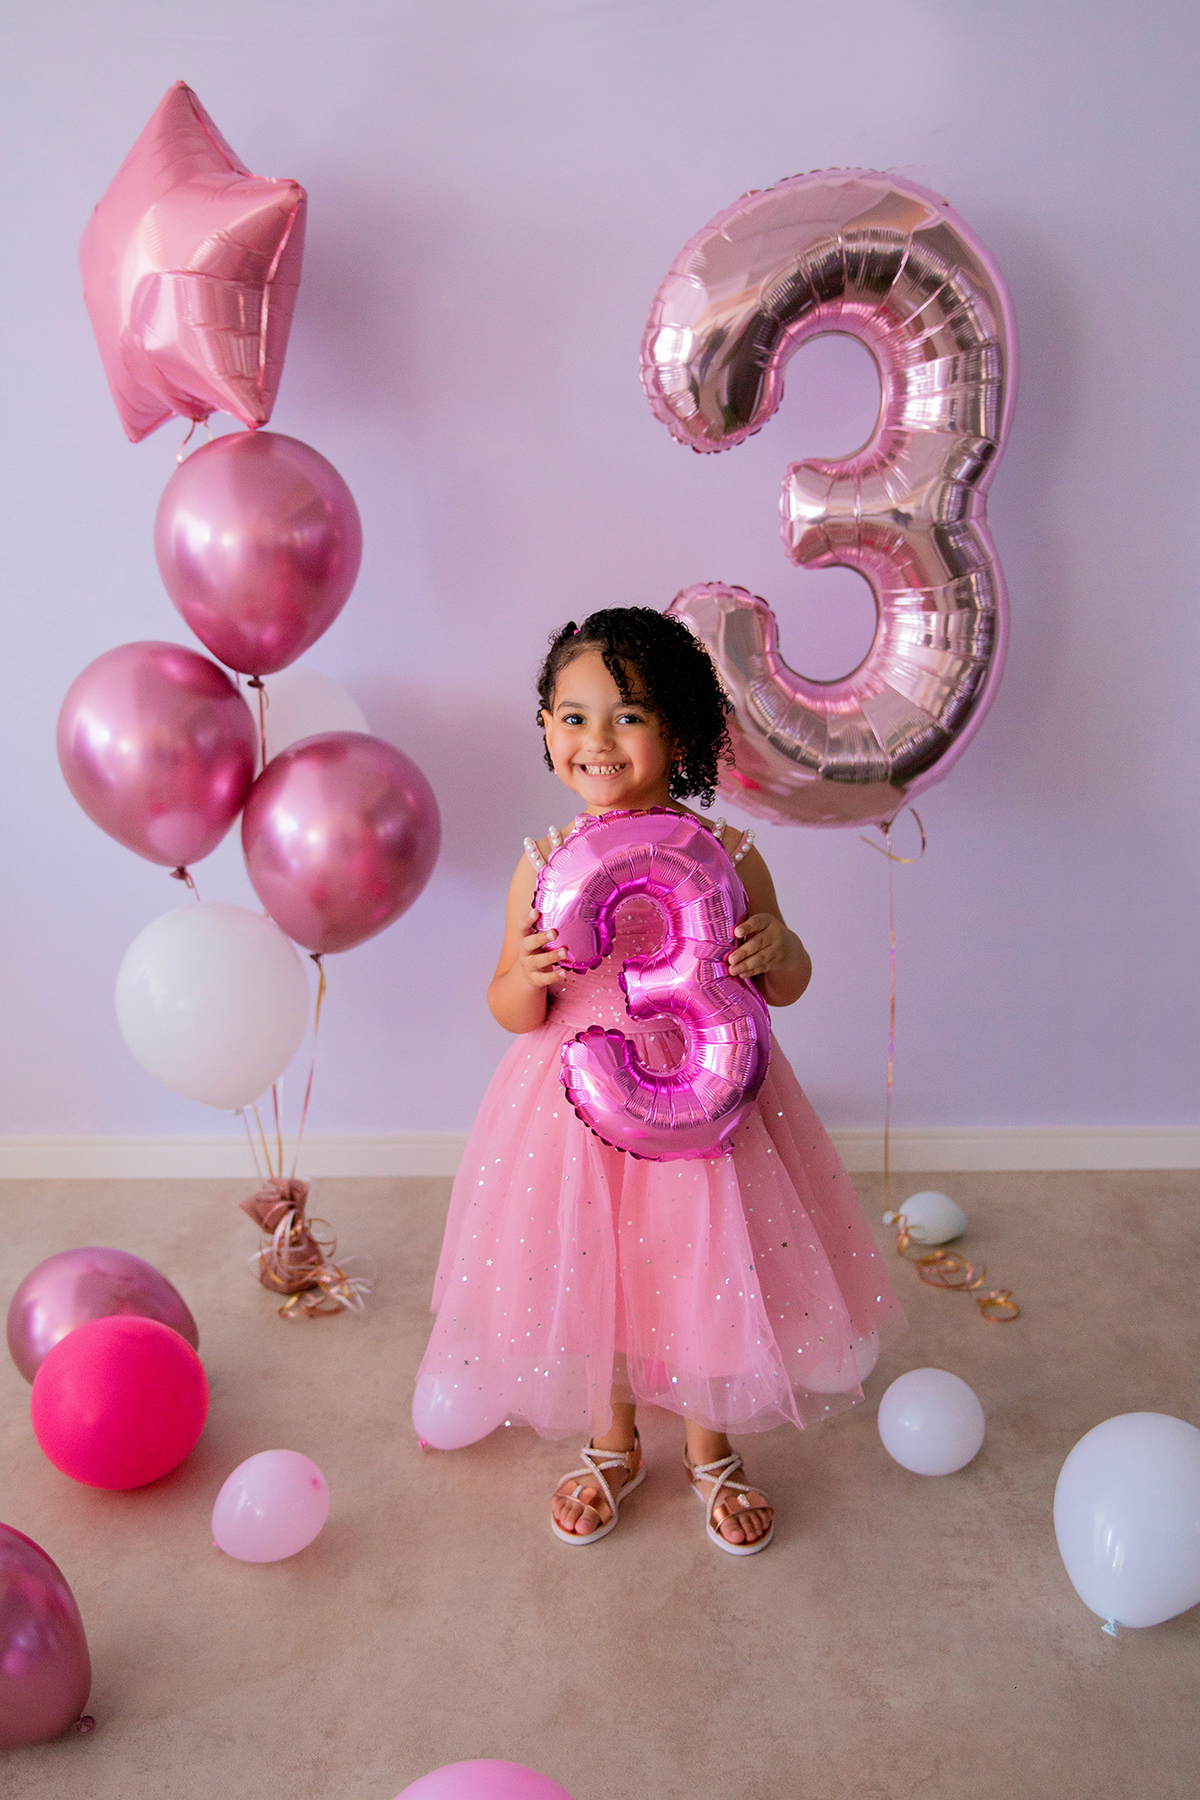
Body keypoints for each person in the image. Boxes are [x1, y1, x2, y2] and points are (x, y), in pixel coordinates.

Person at [415, 607, 904, 1554]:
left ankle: (710, 1446)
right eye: (573, 715)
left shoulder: (731, 857)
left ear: (678, 731)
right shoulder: (543, 864)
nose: (596, 740)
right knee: (596, 1272)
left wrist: (783, 948)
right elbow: (510, 1006)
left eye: (628, 716)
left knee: (700, 1270)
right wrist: (526, 975)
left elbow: (786, 986)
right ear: (548, 731)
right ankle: (613, 1439)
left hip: (706, 1106)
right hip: (577, 1104)